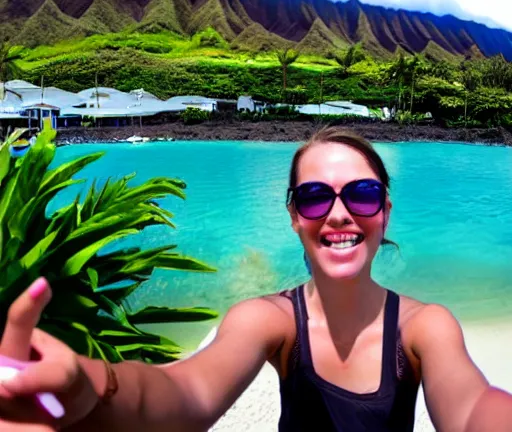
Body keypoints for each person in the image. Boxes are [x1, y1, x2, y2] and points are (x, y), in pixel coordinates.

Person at [0, 126, 511, 431]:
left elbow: (470, 408)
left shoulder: (424, 327)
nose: (338, 215)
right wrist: (90, 385)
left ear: (385, 212)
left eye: (361, 194)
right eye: (314, 197)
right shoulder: (267, 320)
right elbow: (187, 393)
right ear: (293, 216)